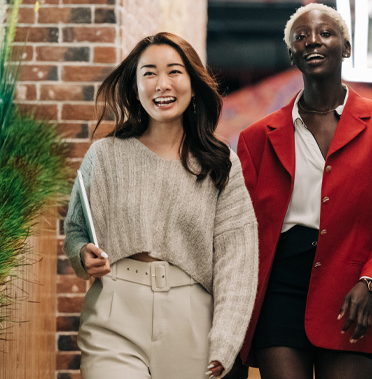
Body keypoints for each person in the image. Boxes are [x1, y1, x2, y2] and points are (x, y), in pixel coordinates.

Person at [233, 3, 372, 379]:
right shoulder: (255, 139)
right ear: (292, 54)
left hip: (353, 291)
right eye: (301, 37)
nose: (312, 41)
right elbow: (241, 231)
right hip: (278, 291)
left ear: (346, 48)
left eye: (325, 33)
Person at [63, 32, 259, 379]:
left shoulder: (220, 164)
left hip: (193, 320)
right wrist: (82, 253)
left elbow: (237, 263)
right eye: (149, 73)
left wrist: (226, 340)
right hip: (115, 311)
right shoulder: (104, 156)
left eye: (174, 72)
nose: (161, 84)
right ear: (135, 87)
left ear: (193, 83)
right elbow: (77, 229)